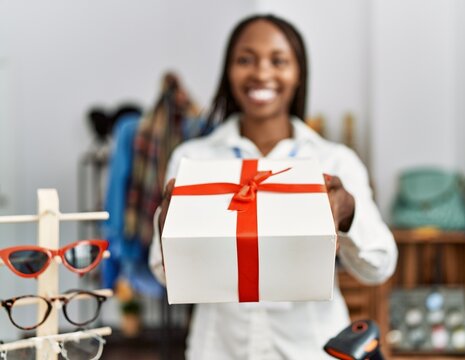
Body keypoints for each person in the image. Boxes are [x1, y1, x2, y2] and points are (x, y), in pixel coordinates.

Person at [149, 14, 397, 360]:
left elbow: (379, 268)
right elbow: (163, 274)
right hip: (220, 349)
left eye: (278, 61)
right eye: (245, 60)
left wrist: (349, 213)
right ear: (228, 71)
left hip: (313, 350)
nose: (261, 73)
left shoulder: (333, 161)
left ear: (298, 73)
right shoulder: (194, 160)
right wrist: (170, 235)